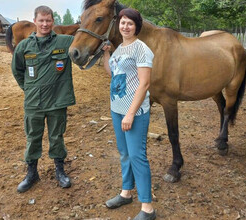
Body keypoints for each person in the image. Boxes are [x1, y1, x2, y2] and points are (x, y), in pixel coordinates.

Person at [11, 5, 75, 193]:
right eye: (41, 20)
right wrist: (29, 89)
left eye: (48, 20)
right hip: (34, 103)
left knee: (57, 137)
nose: (45, 24)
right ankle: (31, 173)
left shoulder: (65, 42)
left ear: (53, 21)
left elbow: (87, 43)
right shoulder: (24, 46)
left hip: (57, 101)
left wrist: (105, 47)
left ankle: (60, 171)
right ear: (35, 22)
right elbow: (17, 70)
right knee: (32, 138)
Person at [102, 8, 156, 220]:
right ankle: (126, 192)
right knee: (124, 153)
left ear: (136, 27)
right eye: (123, 22)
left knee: (137, 156)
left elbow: (145, 84)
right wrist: (106, 52)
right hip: (117, 109)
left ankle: (148, 208)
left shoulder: (141, 49)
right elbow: (112, 74)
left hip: (135, 112)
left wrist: (131, 114)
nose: (125, 26)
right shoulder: (120, 49)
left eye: (130, 23)